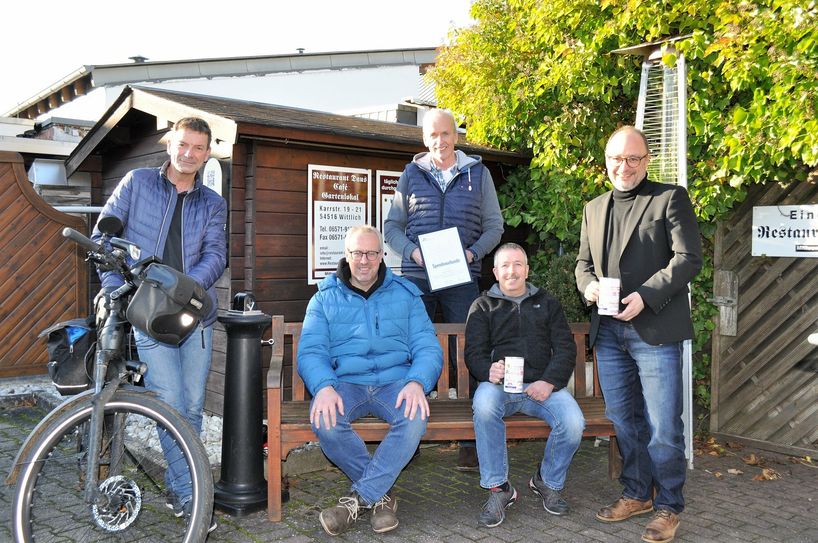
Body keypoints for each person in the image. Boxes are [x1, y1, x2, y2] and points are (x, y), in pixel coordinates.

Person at [92, 117, 226, 533]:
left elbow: (216, 255)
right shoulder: (136, 183)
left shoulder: (213, 203)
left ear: (207, 153)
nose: (189, 154)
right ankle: (192, 497)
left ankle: (182, 486)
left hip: (195, 315)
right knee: (169, 405)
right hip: (148, 314)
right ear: (170, 144)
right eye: (183, 144)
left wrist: (185, 288)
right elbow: (104, 240)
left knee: (191, 407)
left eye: (198, 148)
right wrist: (118, 289)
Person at [575, 126, 702, 543]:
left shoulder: (669, 198)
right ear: (606, 160)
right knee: (625, 422)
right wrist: (588, 286)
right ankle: (636, 493)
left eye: (633, 158)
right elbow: (582, 264)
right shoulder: (593, 208)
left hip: (654, 330)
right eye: (616, 157)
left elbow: (688, 259)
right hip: (608, 332)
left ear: (646, 161)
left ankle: (668, 505)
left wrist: (646, 297)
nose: (624, 166)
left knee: (664, 425)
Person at [297, 225, 443, 536]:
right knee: (325, 421)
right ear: (347, 256)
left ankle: (357, 499)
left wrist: (417, 382)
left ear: (381, 255)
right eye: (358, 253)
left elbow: (427, 346)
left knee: (415, 416)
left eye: (372, 253)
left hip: (396, 383)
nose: (365, 260)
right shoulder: (324, 298)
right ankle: (381, 497)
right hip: (345, 383)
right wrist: (323, 386)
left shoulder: (406, 295)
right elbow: (311, 351)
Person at [384, 108, 504, 470]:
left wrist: (472, 253)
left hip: (460, 277)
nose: (440, 140)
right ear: (425, 139)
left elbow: (495, 227)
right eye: (433, 135)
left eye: (446, 133)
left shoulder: (478, 174)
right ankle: (407, 434)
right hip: (416, 276)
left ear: (456, 136)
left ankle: (470, 438)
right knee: (408, 351)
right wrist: (413, 252)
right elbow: (392, 228)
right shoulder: (411, 174)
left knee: (465, 352)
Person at [465, 242, 585, 528]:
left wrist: (549, 381)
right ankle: (499, 488)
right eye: (505, 265)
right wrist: (487, 370)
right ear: (495, 272)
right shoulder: (483, 305)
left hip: (540, 387)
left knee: (573, 422)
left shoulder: (548, 303)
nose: (512, 271)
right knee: (483, 406)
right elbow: (473, 352)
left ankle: (547, 480)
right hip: (500, 387)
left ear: (527, 269)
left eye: (518, 264)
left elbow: (566, 349)